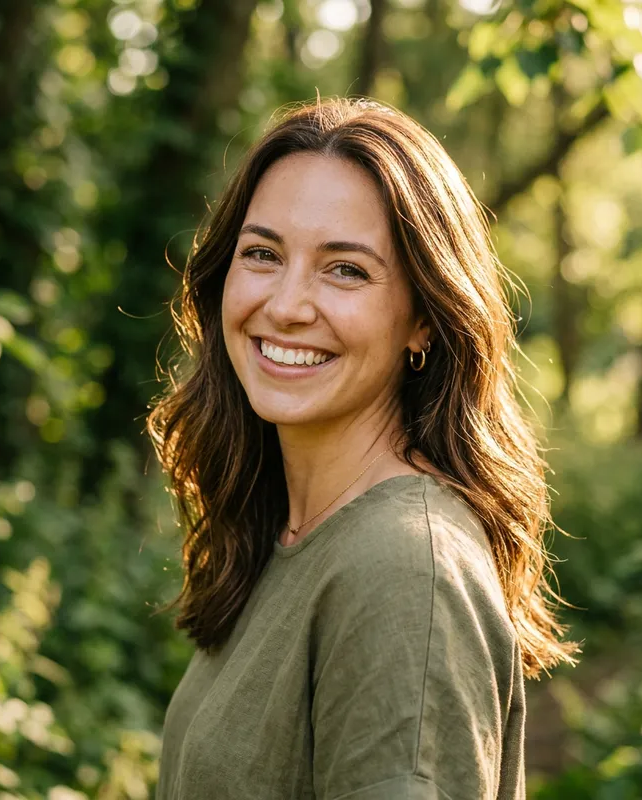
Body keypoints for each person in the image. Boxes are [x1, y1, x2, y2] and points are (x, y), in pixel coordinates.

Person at [147, 97, 580, 800]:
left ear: (424, 321)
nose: (286, 304)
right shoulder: (286, 536)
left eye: (344, 269)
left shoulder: (405, 571)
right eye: (262, 254)